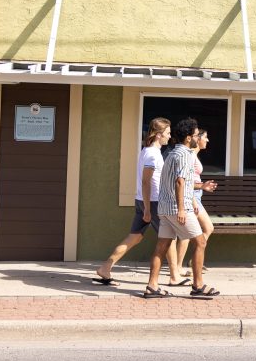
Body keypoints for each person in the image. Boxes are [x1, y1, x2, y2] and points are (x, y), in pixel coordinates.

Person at [93, 117, 185, 286]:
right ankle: (174, 276)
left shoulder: (147, 151)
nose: (169, 136)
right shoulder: (151, 154)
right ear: (158, 135)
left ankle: (106, 267)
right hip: (154, 202)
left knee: (134, 237)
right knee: (169, 237)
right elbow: (145, 181)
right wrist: (148, 209)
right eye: (167, 133)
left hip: (144, 200)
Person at [144, 118, 218, 299]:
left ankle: (152, 286)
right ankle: (198, 286)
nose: (196, 137)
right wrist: (182, 209)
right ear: (187, 137)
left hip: (164, 209)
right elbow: (180, 182)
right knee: (200, 242)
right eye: (194, 135)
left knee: (161, 247)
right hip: (178, 208)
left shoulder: (171, 154)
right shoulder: (186, 155)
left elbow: (180, 181)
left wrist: (202, 186)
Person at [175, 128, 216, 276]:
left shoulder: (194, 155)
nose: (207, 140)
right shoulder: (190, 155)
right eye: (205, 137)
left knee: (203, 229)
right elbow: (184, 180)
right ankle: (179, 266)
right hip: (192, 196)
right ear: (197, 139)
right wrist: (192, 200)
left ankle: (192, 260)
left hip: (196, 195)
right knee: (192, 231)